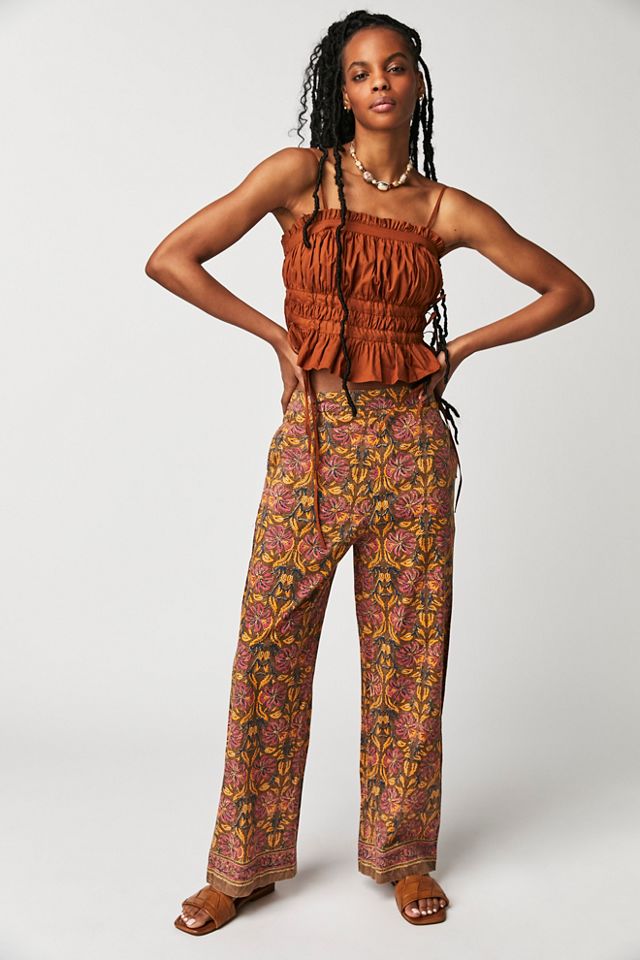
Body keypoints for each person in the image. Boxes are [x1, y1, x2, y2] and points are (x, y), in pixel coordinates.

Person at [145, 11, 594, 933]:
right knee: (268, 651)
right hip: (314, 444)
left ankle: (403, 856)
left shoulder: (443, 209)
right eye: (360, 71)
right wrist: (277, 338)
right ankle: (242, 865)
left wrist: (459, 347)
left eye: (395, 66)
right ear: (340, 90)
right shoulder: (298, 175)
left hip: (411, 450)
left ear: (417, 82)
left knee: (408, 661)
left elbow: (569, 292)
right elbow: (170, 259)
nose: (380, 82)